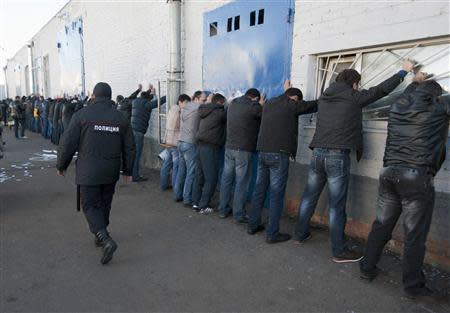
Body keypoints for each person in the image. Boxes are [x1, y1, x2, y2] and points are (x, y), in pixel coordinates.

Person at [294, 59, 415, 262]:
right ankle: (339, 251)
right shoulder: (353, 96)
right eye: (358, 84)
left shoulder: (324, 97)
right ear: (353, 84)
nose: (359, 87)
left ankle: (300, 234)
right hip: (336, 156)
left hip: (317, 153)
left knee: (308, 196)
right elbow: (381, 90)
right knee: (336, 205)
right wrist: (402, 72)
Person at [360, 75, 449, 300]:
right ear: (435, 95)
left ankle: (367, 268)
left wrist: (415, 80)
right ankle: (413, 286)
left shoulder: (398, 106)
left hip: (388, 173)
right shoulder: (438, 108)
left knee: (381, 224)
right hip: (416, 177)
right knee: (414, 236)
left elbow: (411, 93)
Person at [56, 82, 135, 265]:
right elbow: (130, 146)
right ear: (109, 96)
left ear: (94, 95)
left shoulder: (82, 115)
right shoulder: (121, 118)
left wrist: (62, 165)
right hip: (111, 170)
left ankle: (105, 238)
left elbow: (68, 142)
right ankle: (101, 235)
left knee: (90, 205)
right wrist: (128, 170)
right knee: (105, 203)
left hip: (88, 170)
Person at [248, 80, 318, 244]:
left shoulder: (270, 103)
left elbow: (286, 98)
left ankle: (252, 225)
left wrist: (287, 91)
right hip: (278, 155)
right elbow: (312, 105)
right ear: (295, 99)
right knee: (276, 195)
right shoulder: (292, 104)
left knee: (259, 191)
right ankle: (272, 234)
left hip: (263, 152)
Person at [218, 88, 263, 222]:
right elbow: (264, 115)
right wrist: (261, 104)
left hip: (229, 147)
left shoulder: (233, 104)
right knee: (241, 182)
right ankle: (239, 214)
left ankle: (223, 209)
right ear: (255, 98)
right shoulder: (254, 106)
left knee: (226, 180)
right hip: (243, 150)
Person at [191, 93, 227, 214]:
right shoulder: (219, 113)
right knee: (211, 178)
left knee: (199, 176)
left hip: (200, 145)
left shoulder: (204, 110)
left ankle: (196, 203)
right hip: (210, 148)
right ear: (220, 103)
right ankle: (203, 205)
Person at [173, 91, 206, 205]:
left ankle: (177, 194)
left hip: (181, 142)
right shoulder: (198, 108)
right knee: (191, 172)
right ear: (196, 99)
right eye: (203, 100)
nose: (204, 102)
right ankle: (187, 198)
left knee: (181, 170)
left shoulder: (184, 108)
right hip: (190, 143)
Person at [130, 86, 166, 182]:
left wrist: (150, 91)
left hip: (131, 131)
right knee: (137, 155)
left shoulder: (135, 102)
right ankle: (135, 176)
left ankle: (131, 173)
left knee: (133, 154)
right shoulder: (146, 105)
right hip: (138, 133)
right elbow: (158, 102)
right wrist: (169, 95)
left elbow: (145, 97)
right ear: (147, 99)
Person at [160, 94, 190, 190]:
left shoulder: (172, 109)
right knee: (176, 165)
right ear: (180, 101)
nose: (187, 105)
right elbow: (181, 126)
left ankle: (163, 184)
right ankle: (175, 186)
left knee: (167, 163)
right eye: (186, 103)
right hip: (175, 141)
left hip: (168, 140)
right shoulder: (180, 111)